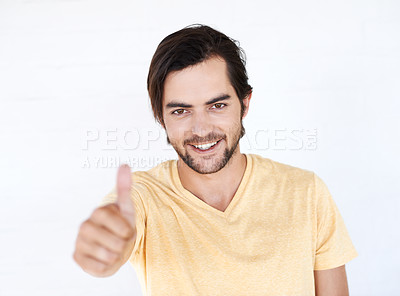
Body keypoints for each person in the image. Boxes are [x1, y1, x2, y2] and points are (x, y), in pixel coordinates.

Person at [73, 24, 358, 295]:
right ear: (160, 117)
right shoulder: (144, 199)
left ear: (245, 104)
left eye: (217, 105)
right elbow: (116, 236)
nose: (201, 129)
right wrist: (102, 252)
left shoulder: (306, 192)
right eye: (181, 111)